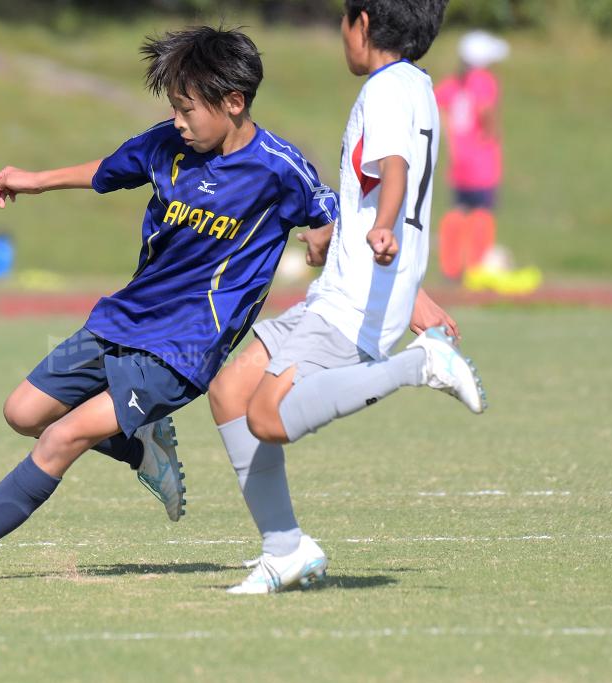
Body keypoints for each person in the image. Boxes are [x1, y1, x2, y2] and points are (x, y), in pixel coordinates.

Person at [0, 26, 341, 561]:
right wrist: (37, 179)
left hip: (185, 347)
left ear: (234, 102)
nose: (179, 121)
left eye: (188, 109)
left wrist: (325, 231)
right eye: (175, 109)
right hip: (125, 317)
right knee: (23, 413)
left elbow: (335, 211)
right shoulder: (167, 144)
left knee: (62, 437)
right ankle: (140, 441)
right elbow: (108, 170)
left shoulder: (278, 169)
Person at [208, 0, 487, 595]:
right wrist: (341, 234)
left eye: (343, 21)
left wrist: (381, 227)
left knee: (267, 415)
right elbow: (382, 183)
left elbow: (394, 173)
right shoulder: (415, 86)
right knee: (231, 392)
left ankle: (422, 365)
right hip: (349, 284)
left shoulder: (386, 88)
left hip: (356, 299)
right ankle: (284, 550)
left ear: (363, 23)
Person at [434, 30, 509, 282]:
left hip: (460, 159)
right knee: (482, 212)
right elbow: (485, 107)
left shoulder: (455, 82)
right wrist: (492, 132)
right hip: (481, 158)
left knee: (459, 209)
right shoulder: (483, 80)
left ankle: (451, 267)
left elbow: (438, 103)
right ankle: (477, 267)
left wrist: (450, 138)